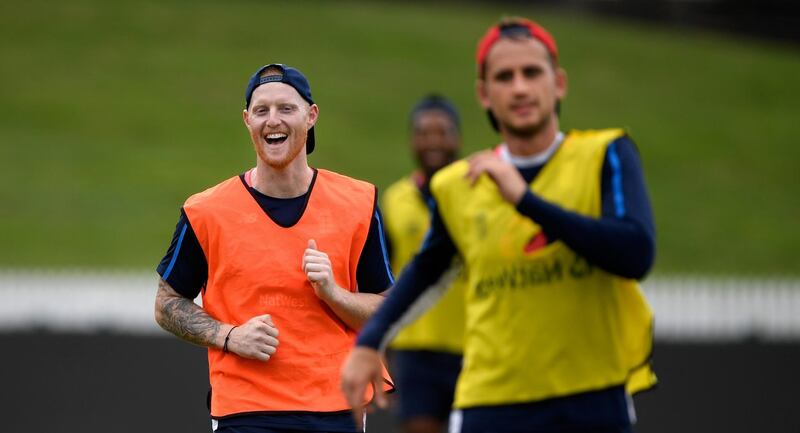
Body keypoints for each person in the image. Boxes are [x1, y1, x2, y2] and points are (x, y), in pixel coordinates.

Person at [341, 17, 657, 433]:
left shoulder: (606, 154)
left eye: (532, 72)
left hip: (592, 393)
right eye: (504, 77)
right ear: (484, 94)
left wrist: (525, 201)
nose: (520, 87)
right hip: (493, 401)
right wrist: (369, 343)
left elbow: (634, 254)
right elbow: (423, 275)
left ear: (558, 83)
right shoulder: (460, 186)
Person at [154, 63, 393, 433]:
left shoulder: (358, 202)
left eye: (286, 108)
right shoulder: (206, 211)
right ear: (247, 120)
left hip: (336, 406)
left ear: (311, 116)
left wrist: (334, 294)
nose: (273, 120)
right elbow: (166, 303)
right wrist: (228, 336)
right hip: (246, 410)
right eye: (261, 110)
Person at [383, 95, 466, 433]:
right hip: (416, 348)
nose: (433, 141)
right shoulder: (394, 199)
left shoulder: (479, 192)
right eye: (423, 132)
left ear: (457, 138)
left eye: (442, 132)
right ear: (411, 139)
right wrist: (380, 347)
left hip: (475, 346)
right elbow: (381, 279)